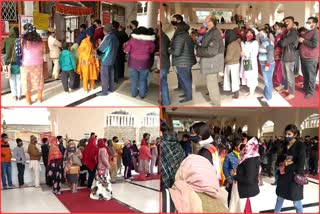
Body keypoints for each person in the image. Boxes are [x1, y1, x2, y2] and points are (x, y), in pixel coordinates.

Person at [274, 124, 305, 213]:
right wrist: (282, 163)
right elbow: (278, 160)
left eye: (289, 134)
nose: (287, 136)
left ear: (295, 134)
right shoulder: (284, 145)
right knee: (280, 198)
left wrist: (288, 165)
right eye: (286, 134)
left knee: (296, 201)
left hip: (294, 177)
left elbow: (300, 164)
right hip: (283, 176)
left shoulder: (300, 145)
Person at [196, 15, 224, 106]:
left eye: (206, 21)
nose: (204, 22)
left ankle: (216, 104)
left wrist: (199, 51)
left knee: (212, 84)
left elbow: (212, 50)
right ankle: (214, 100)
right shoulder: (209, 32)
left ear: (211, 22)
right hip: (209, 62)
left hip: (212, 61)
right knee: (210, 84)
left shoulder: (215, 32)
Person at [123, 26, 155, 99]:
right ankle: (142, 95)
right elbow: (152, 51)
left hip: (133, 63)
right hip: (145, 63)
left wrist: (124, 45)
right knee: (143, 80)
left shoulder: (132, 40)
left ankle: (134, 94)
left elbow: (127, 50)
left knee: (134, 80)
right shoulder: (150, 42)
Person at [230, 137, 260, 212]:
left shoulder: (250, 160)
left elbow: (249, 179)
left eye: (245, 142)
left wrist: (235, 177)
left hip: (247, 193)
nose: (243, 144)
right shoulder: (248, 156)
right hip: (246, 191)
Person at [170, 21, 196, 103]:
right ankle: (187, 94)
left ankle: (188, 96)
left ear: (179, 28)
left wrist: (169, 50)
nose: (174, 29)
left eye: (175, 27)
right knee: (186, 79)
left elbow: (177, 52)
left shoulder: (179, 37)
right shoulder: (187, 36)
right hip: (187, 61)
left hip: (182, 62)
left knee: (185, 80)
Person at [20, 24, 44, 105]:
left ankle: (28, 100)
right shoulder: (40, 40)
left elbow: (20, 52)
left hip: (26, 63)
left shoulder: (22, 40)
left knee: (26, 81)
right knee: (39, 80)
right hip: (38, 63)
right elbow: (42, 51)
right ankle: (40, 98)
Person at [278, 16, 299, 100]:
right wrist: (281, 41)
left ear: (293, 22)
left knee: (290, 76)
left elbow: (283, 43)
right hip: (284, 55)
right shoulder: (287, 32)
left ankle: (292, 93)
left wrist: (280, 41)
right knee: (285, 75)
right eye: (285, 21)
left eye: (288, 21)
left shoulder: (293, 32)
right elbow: (283, 42)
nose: (286, 23)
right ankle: (286, 87)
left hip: (290, 57)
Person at [160, 121, 185, 190]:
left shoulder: (162, 145)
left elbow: (162, 165)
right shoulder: (178, 144)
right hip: (177, 179)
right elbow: (183, 160)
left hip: (165, 179)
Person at [96, 23, 119, 96]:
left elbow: (101, 49)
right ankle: (111, 89)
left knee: (104, 76)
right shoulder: (115, 37)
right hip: (112, 59)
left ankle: (104, 92)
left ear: (105, 30)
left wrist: (97, 50)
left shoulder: (108, 37)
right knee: (111, 74)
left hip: (106, 60)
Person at [299, 17, 319, 99]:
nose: (307, 23)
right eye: (307, 21)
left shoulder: (316, 32)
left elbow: (314, 44)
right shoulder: (308, 31)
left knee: (311, 76)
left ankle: (310, 92)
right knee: (305, 74)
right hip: (304, 57)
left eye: (309, 22)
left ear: (314, 23)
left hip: (310, 58)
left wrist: (303, 41)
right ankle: (305, 88)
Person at [2, 26, 22, 101]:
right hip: (18, 62)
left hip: (8, 63)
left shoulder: (6, 40)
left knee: (11, 79)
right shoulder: (19, 40)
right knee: (19, 79)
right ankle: (19, 95)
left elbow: (2, 51)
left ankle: (14, 96)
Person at [240, 29, 259, 97]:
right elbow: (242, 50)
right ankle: (250, 91)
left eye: (251, 33)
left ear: (253, 34)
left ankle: (252, 92)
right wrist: (242, 54)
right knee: (246, 76)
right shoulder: (243, 42)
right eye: (247, 33)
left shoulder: (255, 42)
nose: (249, 34)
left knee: (251, 77)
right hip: (245, 61)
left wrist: (245, 54)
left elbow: (255, 53)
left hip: (251, 61)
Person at [223, 138, 241, 208]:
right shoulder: (229, 156)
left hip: (240, 179)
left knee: (239, 197)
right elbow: (225, 168)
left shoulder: (244, 155)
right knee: (231, 196)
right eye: (240, 145)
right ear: (235, 147)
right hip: (232, 180)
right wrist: (228, 178)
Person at [223, 29, 241, 99]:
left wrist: (223, 62)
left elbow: (228, 57)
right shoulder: (236, 43)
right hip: (236, 63)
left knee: (233, 79)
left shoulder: (231, 45)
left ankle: (236, 93)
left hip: (231, 64)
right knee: (235, 78)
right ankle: (236, 92)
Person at [258, 29, 275, 101]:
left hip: (268, 64)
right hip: (263, 64)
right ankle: (266, 93)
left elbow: (270, 54)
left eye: (261, 34)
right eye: (259, 34)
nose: (260, 35)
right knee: (266, 80)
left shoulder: (268, 42)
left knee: (268, 81)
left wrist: (267, 65)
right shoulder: (263, 42)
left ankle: (268, 97)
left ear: (265, 34)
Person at [160, 21, 171, 106]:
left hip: (161, 63)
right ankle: (166, 102)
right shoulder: (166, 37)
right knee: (164, 83)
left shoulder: (160, 37)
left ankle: (163, 102)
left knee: (162, 83)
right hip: (165, 63)